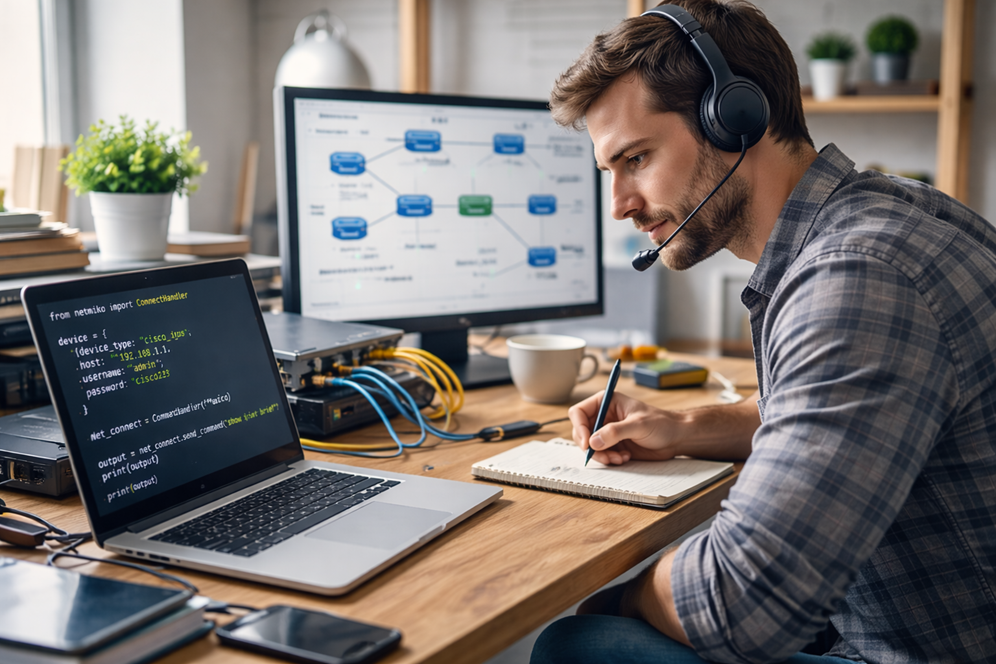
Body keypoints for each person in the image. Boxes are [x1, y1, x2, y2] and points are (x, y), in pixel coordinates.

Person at [530, 1, 996, 662]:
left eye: (635, 159)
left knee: (583, 643)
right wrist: (687, 429)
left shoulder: (855, 278)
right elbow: (837, 408)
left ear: (736, 118)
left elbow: (742, 606)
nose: (621, 206)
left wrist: (626, 596)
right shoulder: (891, 213)